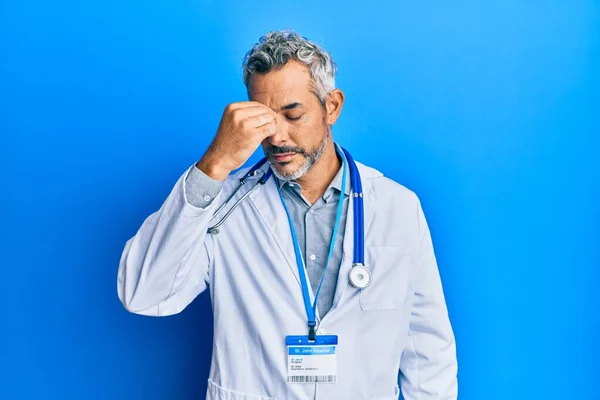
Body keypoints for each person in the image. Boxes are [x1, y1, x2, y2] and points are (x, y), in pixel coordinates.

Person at [117, 29, 458, 400]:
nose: (276, 137)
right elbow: (143, 293)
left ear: (332, 107)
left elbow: (428, 349)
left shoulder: (397, 207)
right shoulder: (222, 206)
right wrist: (214, 164)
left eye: (292, 114)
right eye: (263, 119)